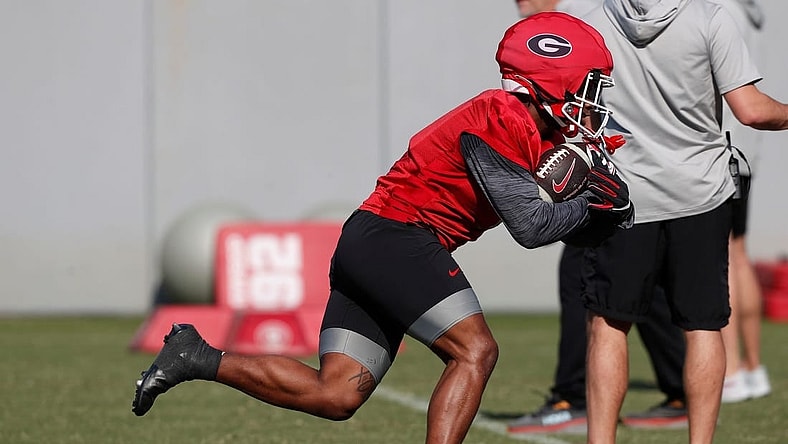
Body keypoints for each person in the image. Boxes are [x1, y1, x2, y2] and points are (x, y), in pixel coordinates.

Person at [131, 13, 633, 444]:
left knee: (337, 393)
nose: (592, 102)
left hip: (373, 241)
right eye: (589, 85)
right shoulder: (498, 116)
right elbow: (530, 224)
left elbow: (569, 224)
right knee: (475, 351)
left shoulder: (535, 131)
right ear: (552, 76)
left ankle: (196, 356)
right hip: (398, 238)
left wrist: (609, 216)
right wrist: (596, 208)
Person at [580, 1, 788, 443]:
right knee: (702, 325)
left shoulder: (593, 21)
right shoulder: (709, 18)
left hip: (623, 195)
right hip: (700, 193)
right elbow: (750, 110)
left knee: (608, 323)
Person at [508, 1, 687, 435]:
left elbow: (584, 106)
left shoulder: (583, 24)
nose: (519, 7)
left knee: (586, 282)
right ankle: (682, 387)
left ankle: (572, 397)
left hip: (620, 168)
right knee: (639, 285)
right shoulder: (609, 19)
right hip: (661, 173)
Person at [713, 0, 772, 404]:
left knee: (723, 258)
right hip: (744, 152)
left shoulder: (719, 10)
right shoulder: (746, 8)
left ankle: (732, 370)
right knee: (738, 253)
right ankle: (752, 368)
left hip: (724, 147)